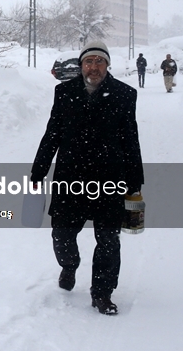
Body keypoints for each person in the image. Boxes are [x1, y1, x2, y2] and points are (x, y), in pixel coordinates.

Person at [30, 40, 144, 315]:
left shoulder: (124, 94)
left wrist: (134, 180)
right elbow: (53, 134)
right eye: (89, 62)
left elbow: (130, 138)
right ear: (81, 66)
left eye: (99, 61)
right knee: (62, 234)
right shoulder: (64, 92)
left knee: (108, 239)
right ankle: (69, 266)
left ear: (107, 65)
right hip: (71, 175)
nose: (94, 67)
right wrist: (39, 170)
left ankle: (102, 293)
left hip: (110, 177)